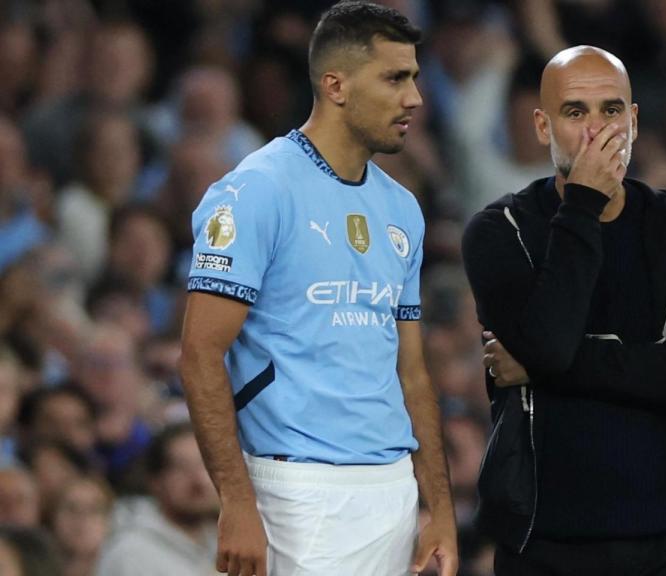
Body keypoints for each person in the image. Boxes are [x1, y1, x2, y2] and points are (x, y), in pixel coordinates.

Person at [177, 2, 458, 576]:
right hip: (295, 492)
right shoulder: (257, 190)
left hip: (392, 491)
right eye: (394, 78)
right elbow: (199, 353)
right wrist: (236, 501)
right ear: (335, 85)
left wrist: (439, 507)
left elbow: (411, 371)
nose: (414, 98)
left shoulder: (403, 210)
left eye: (415, 78)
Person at [462, 45, 666, 575]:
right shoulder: (499, 233)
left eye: (611, 111)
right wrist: (582, 204)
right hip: (543, 542)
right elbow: (549, 342)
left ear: (633, 120)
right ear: (542, 126)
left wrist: (546, 368)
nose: (596, 130)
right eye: (574, 112)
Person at [95, 424, 218, 576]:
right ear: (156, 482)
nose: (198, 480)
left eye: (204, 464)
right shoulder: (131, 554)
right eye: (181, 467)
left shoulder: (221, 541)